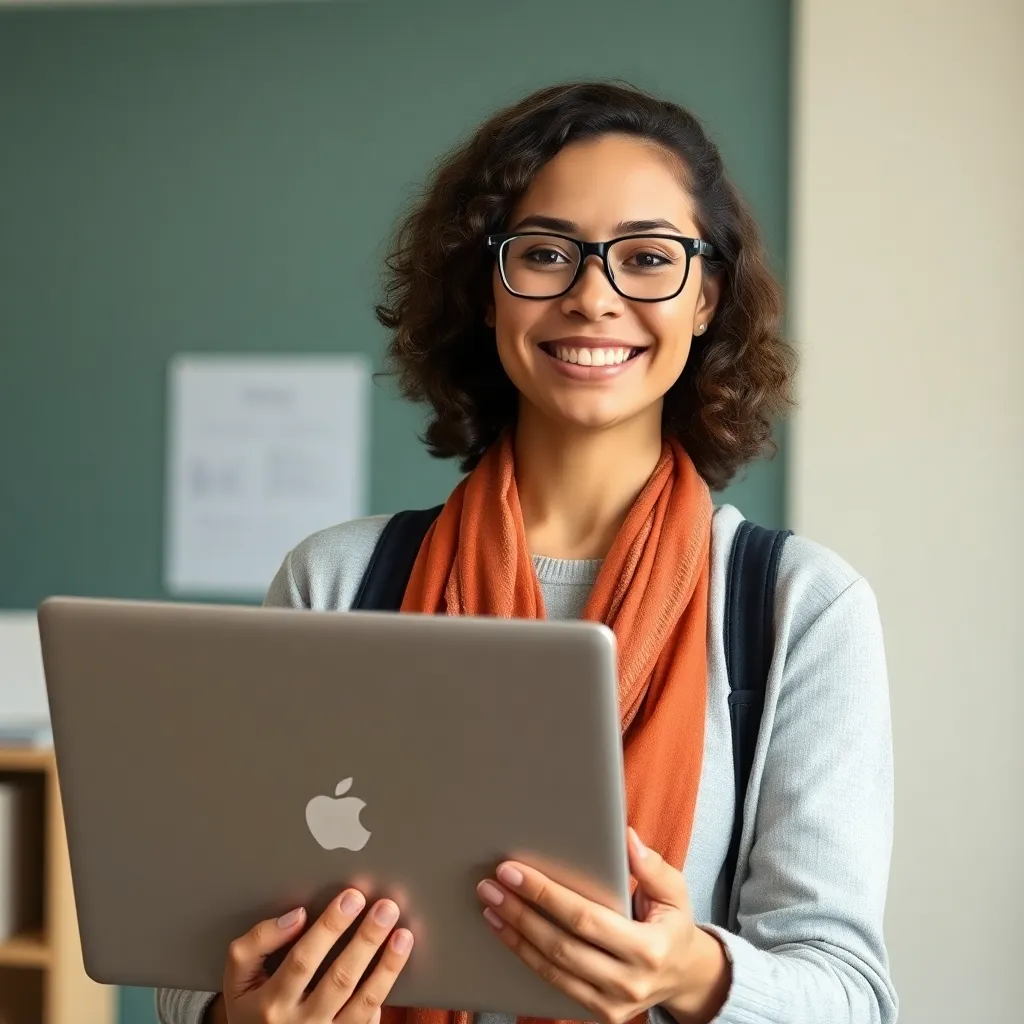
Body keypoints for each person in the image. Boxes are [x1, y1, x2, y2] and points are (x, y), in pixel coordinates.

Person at [156, 80, 897, 1024]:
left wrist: (693, 975)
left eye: (646, 258)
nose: (594, 297)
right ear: (485, 290)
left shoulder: (799, 607)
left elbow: (853, 997)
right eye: (544, 254)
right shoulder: (334, 580)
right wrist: (236, 1016)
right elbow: (194, 969)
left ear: (706, 296)